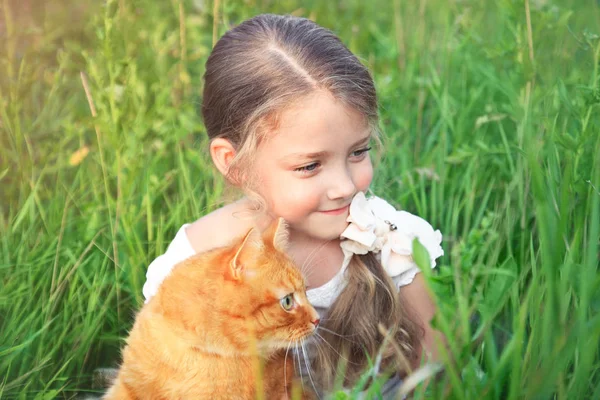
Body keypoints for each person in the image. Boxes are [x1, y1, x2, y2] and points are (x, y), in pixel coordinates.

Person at [142, 13, 445, 397]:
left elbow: (441, 371)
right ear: (234, 164)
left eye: (358, 151)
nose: (345, 186)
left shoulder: (390, 239)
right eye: (309, 166)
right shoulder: (197, 263)